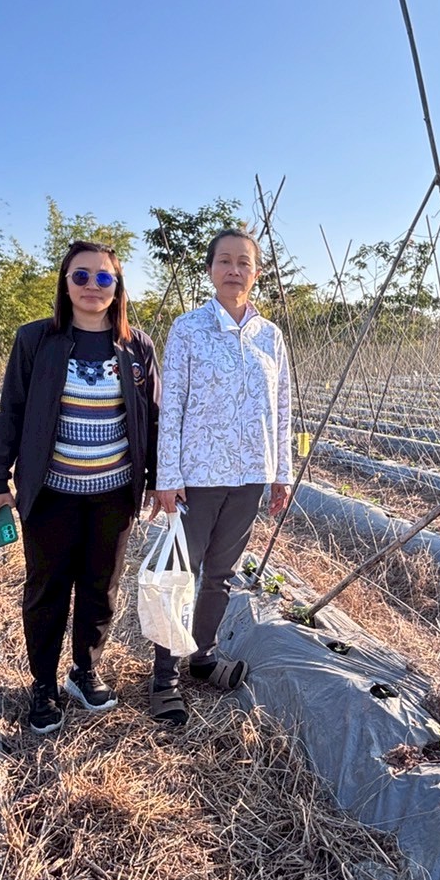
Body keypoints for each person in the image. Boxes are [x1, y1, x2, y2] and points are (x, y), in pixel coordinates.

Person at [0, 241, 159, 735]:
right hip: (52, 492)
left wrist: (158, 481)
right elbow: (10, 412)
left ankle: (85, 670)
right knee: (47, 589)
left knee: (100, 588)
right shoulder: (37, 340)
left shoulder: (136, 346)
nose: (92, 287)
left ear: (117, 287)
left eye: (105, 278)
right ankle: (43, 684)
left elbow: (154, 419)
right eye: (82, 276)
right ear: (65, 282)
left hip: (114, 493)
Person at [150, 227, 293, 726]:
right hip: (198, 475)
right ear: (210, 269)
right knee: (178, 574)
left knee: (220, 575)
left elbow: (283, 409)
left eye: (244, 263)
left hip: (250, 474)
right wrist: (166, 475)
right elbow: (172, 411)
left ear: (257, 274)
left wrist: (282, 473)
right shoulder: (188, 329)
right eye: (225, 261)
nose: (235, 270)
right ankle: (164, 676)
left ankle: (203, 657)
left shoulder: (270, 336)